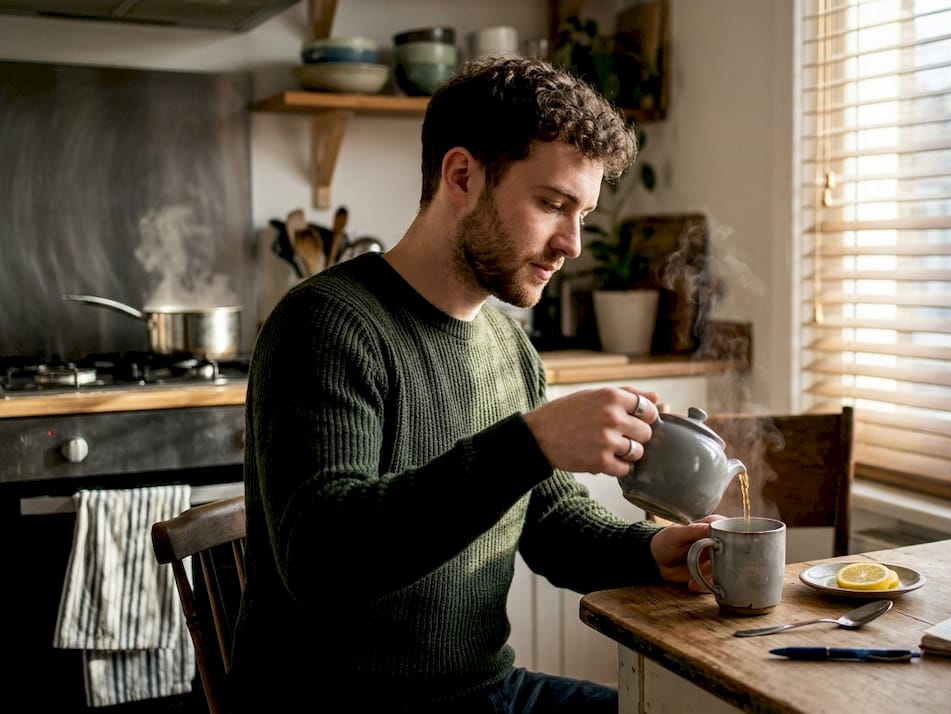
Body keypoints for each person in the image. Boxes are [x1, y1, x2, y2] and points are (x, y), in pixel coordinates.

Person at [227, 55, 719, 712]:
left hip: (486, 695)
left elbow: (550, 522)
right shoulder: (325, 324)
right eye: (551, 204)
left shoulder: (507, 345)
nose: (572, 242)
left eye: (584, 214)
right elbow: (322, 560)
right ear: (461, 176)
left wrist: (655, 550)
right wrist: (532, 441)